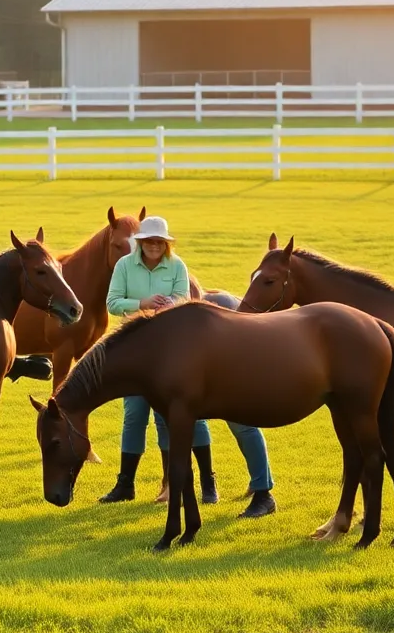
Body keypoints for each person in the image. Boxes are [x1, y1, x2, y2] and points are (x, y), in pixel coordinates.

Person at [96, 214, 277, 519]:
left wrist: (172, 306)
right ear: (140, 243)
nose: (154, 246)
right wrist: (142, 303)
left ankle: (224, 485)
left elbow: (185, 302)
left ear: (166, 244)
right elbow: (113, 303)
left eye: (159, 241)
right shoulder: (126, 266)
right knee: (136, 414)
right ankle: (127, 483)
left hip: (174, 352)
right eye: (148, 241)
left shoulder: (177, 266)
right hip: (139, 352)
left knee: (221, 418)